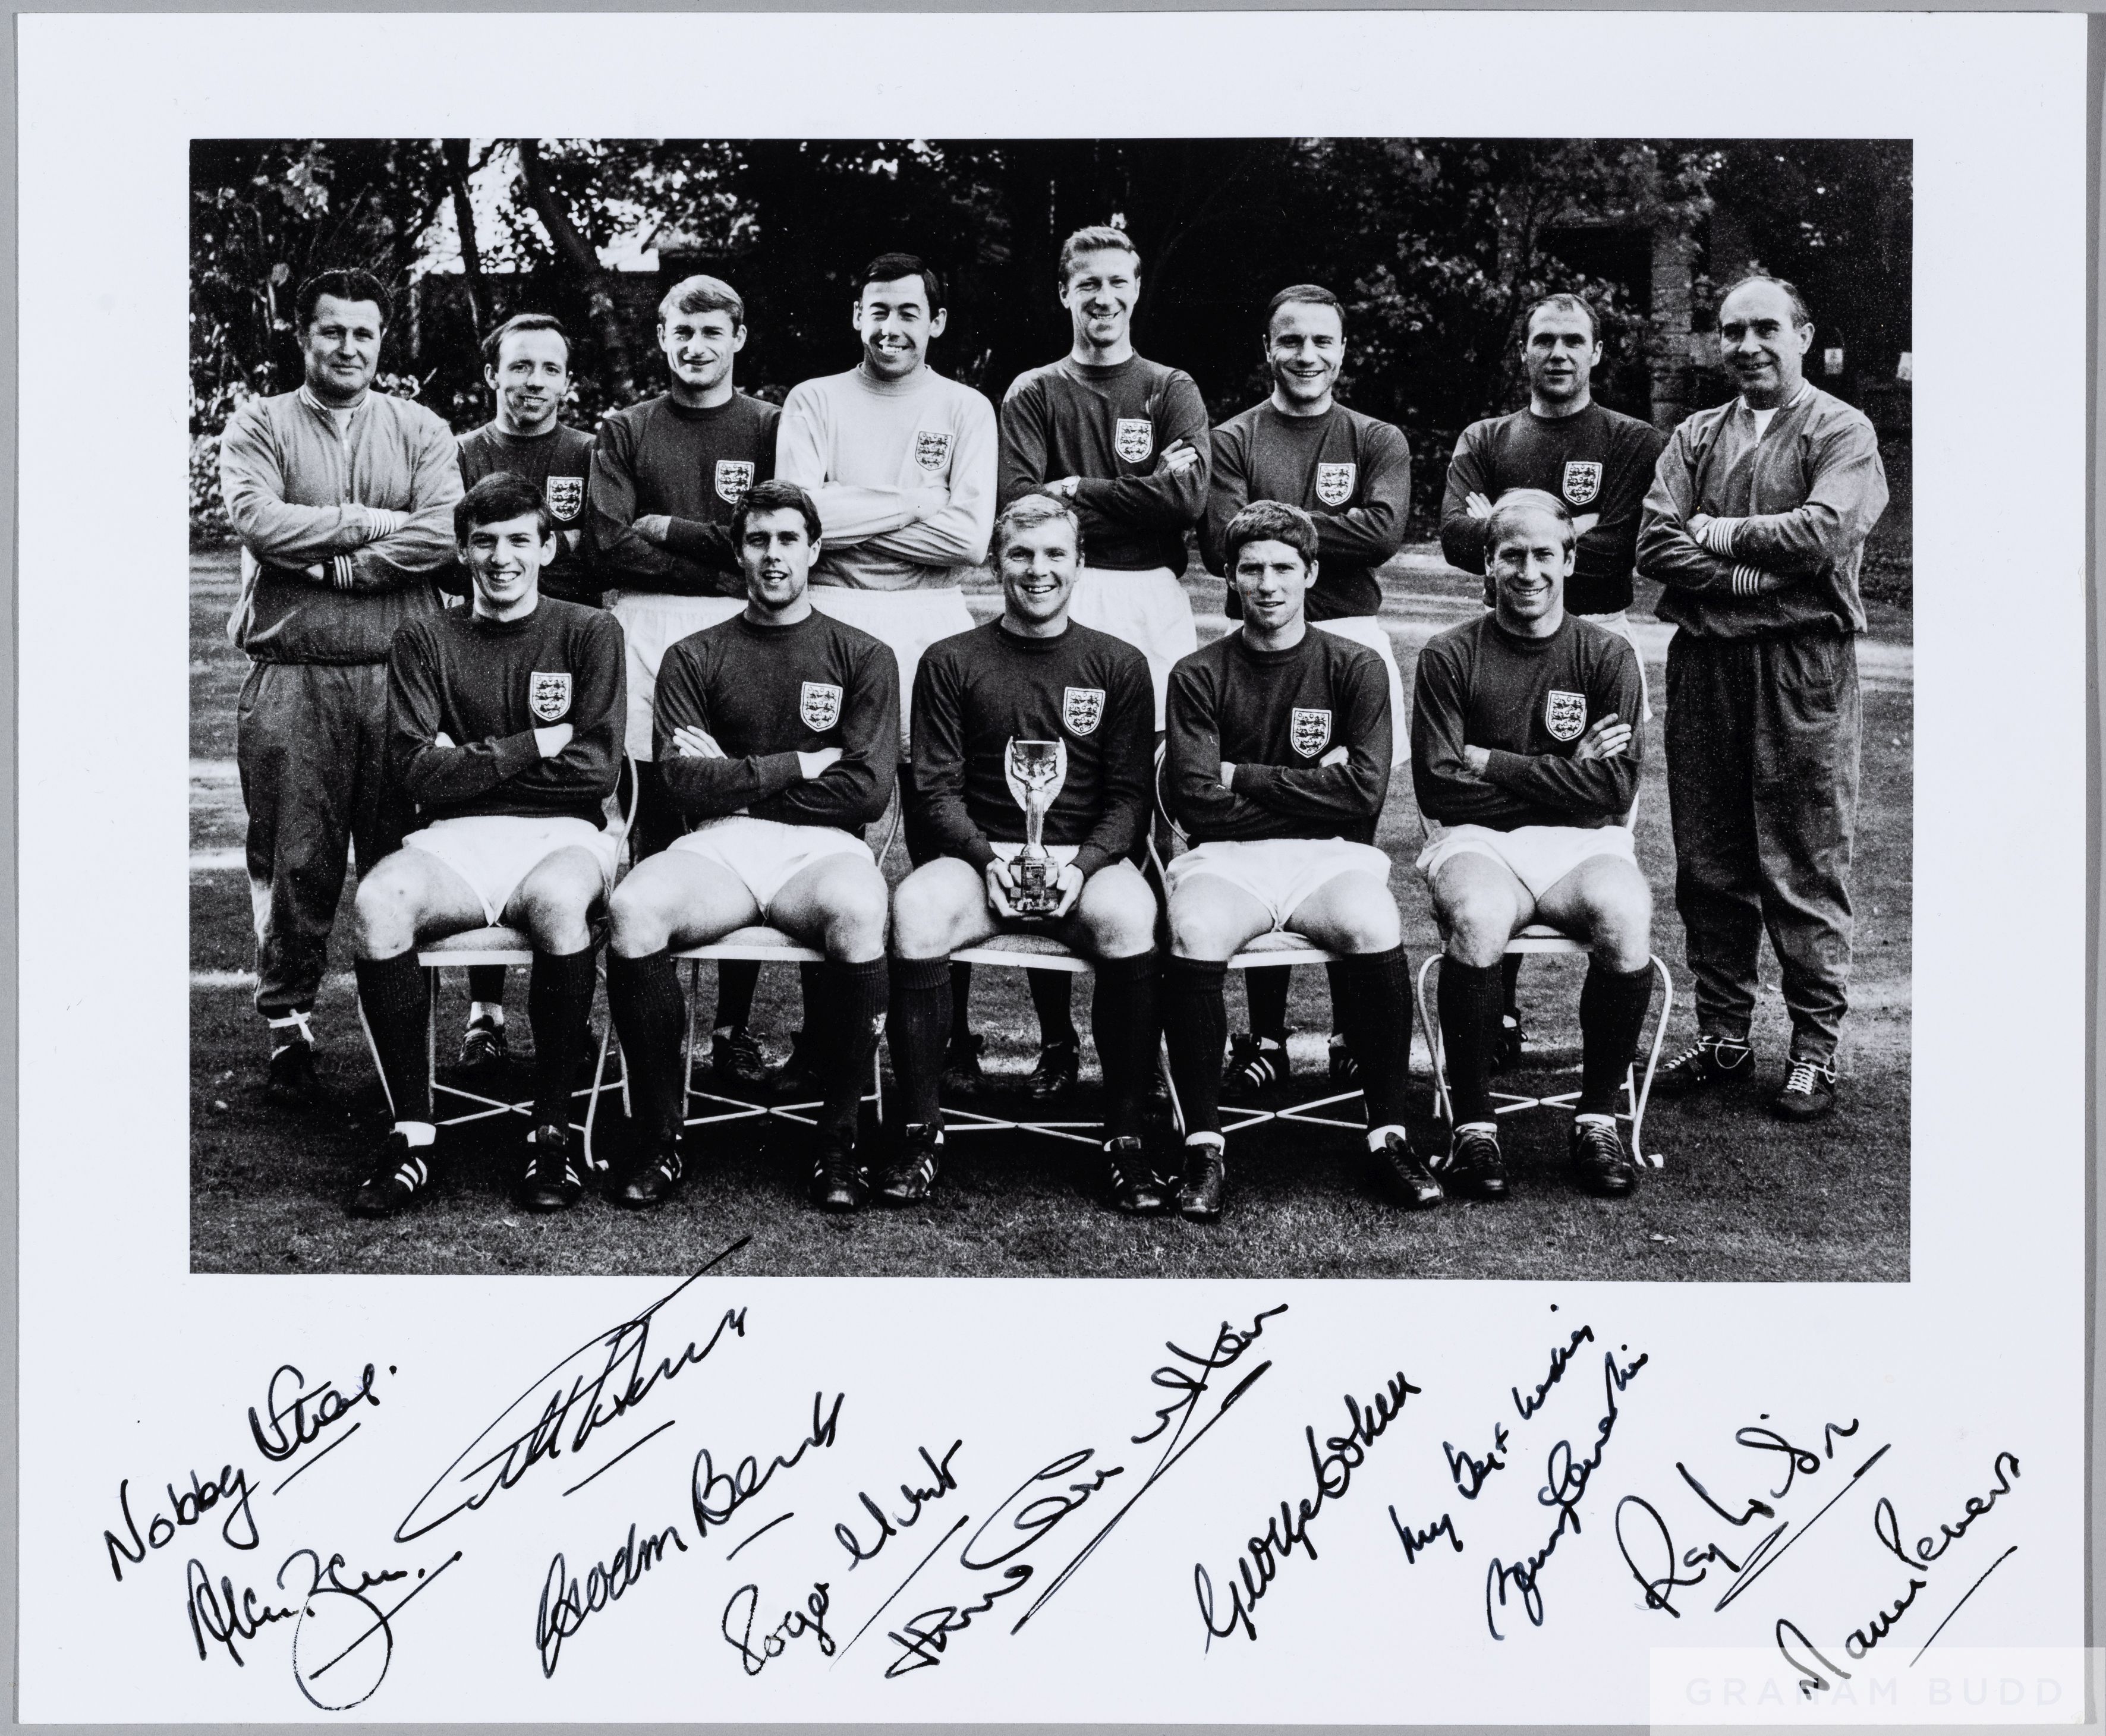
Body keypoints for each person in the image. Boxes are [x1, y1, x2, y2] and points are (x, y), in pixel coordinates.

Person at [603, 481, 899, 1212]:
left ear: (815, 550)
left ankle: (838, 1140)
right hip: (720, 847)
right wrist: (798, 764)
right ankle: (660, 1133)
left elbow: (864, 793)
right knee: (636, 906)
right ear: (737, 552)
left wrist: (729, 776)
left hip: (823, 850)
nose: (773, 555)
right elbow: (678, 786)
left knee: (861, 911)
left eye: (788, 540)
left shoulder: (864, 654)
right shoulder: (693, 653)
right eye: (758, 540)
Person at [1636, 275, 1888, 1121]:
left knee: (1803, 851)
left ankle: (1813, 1050)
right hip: (1705, 662)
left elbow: (1824, 532)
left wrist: (1719, 537)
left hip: (1800, 664)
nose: (1746, 345)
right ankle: (1721, 1035)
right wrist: (1748, 570)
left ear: (1802, 335)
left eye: (1764, 329)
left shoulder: (1839, 429)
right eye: (1730, 331)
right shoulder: (1696, 434)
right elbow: (1654, 541)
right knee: (1708, 856)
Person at [219, 268, 462, 1110]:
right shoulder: (260, 425)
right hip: (296, 678)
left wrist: (335, 564)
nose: (348, 347)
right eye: (332, 331)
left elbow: (439, 533)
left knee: (405, 855)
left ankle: (405, 1030)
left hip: (402, 681)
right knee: (295, 857)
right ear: (304, 336)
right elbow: (258, 520)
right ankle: (288, 1024)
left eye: (364, 333)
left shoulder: (421, 427)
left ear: (382, 341)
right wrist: (363, 523)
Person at [350, 473, 625, 1217]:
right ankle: (412, 1133)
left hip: (564, 833)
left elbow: (595, 767)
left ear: (547, 545)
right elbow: (417, 770)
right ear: (463, 551)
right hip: (454, 840)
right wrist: (536, 742)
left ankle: (552, 1132)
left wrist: (466, 757)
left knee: (562, 902)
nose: (502, 557)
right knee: (379, 901)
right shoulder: (425, 637)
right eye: (484, 542)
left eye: (518, 540)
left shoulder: (589, 630)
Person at [1160, 500, 1436, 1223]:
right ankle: (1204, 1143)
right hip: (1224, 859)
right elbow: (1194, 804)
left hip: (1329, 857)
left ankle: (1388, 1134)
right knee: (1193, 931)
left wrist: (1242, 776)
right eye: (1251, 569)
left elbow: (1363, 795)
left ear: (1312, 573)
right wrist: (1316, 786)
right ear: (1229, 577)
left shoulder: (1356, 665)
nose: (1268, 583)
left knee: (1373, 919)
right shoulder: (1196, 672)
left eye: (1284, 567)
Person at [884, 494, 1161, 1212]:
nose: (1038, 571)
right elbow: (936, 792)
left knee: (1132, 917)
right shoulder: (950, 661)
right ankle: (919, 1129)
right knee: (916, 907)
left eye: (1054, 555)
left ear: (1080, 564)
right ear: (993, 562)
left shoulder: (1120, 663)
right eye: (1020, 554)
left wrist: (1080, 867)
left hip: (1080, 859)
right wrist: (988, 861)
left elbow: (1131, 800)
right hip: (984, 861)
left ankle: (1126, 1139)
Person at [989, 223, 1207, 1104]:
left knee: (1144, 803)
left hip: (1149, 601)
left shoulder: (1169, 386)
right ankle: (1053, 1039)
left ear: (1136, 289)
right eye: (1088, 285)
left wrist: (1079, 493)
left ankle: (1141, 1031)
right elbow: (1021, 507)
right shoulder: (1035, 389)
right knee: (1043, 804)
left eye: (1118, 283)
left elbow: (1187, 499)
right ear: (1064, 293)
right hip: (1058, 603)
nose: (1104, 299)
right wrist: (1122, 496)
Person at [775, 251, 994, 1095]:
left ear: (935, 322)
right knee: (828, 826)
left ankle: (949, 1034)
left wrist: (848, 503)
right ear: (855, 316)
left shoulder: (965, 407)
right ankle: (825, 1028)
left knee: (942, 826)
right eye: (876, 311)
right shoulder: (814, 399)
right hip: (830, 625)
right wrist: (913, 499)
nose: (890, 327)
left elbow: (968, 541)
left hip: (934, 624)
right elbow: (799, 518)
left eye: (908, 312)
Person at [1438, 291, 1668, 1073]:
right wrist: (1566, 525)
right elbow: (1453, 537)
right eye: (1543, 340)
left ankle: (1600, 1045)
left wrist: (1505, 517)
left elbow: (1613, 553)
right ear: (1523, 350)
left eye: (1573, 340)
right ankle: (1494, 1008)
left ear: (1596, 352)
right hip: (1501, 636)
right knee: (1491, 838)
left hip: (1598, 633)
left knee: (1595, 818)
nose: (1557, 353)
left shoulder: (1632, 440)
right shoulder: (1487, 434)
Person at [1202, 283, 1413, 1107]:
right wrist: (1316, 529)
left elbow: (1386, 530)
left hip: (1348, 641)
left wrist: (1271, 526)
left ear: (1341, 349)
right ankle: (1263, 1037)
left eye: (1320, 341)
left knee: (1343, 838)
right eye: (1289, 340)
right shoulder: (1233, 436)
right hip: (1254, 656)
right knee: (1258, 841)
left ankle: (1351, 1035)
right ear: (1267, 347)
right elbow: (1223, 536)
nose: (1305, 355)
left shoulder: (1375, 435)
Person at [1412, 489, 1651, 1200]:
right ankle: (1475, 1128)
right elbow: (1440, 789)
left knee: (1625, 915)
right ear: (1486, 561)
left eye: (1545, 554)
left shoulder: (1609, 653)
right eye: (1511, 554)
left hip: (1584, 842)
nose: (1529, 571)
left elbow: (1612, 792)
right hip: (1476, 840)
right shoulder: (1448, 652)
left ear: (1570, 559)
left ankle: (1599, 1116)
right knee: (1481, 916)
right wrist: (1566, 770)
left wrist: (1491, 760)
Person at [588, 275, 783, 1092]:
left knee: (740, 815)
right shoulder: (625, 427)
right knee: (652, 815)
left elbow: (779, 533)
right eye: (680, 332)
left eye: (711, 331)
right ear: (661, 339)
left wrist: (671, 528)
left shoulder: (772, 425)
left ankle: (732, 1027)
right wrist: (721, 550)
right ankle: (651, 1026)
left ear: (738, 337)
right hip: (643, 632)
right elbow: (607, 541)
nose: (695, 346)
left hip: (741, 633)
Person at [452, 311, 600, 1079]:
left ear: (567, 381)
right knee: (482, 805)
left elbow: (603, 541)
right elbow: (454, 551)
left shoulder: (587, 452)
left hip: (567, 649)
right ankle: (485, 1012)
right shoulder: (464, 451)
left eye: (548, 368)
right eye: (519, 367)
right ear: (493, 376)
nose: (532, 381)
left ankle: (561, 1015)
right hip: (482, 649)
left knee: (556, 817)